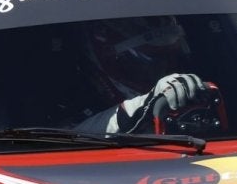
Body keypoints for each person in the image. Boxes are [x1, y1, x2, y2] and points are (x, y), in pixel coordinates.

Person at [77, 16, 210, 133]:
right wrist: (145, 103)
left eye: (171, 57)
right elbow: (71, 136)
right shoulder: (79, 97)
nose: (165, 69)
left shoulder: (198, 89)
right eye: (154, 61)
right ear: (109, 57)